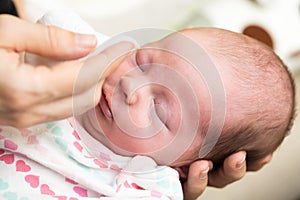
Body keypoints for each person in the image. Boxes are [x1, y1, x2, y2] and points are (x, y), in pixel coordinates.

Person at [0, 13, 277, 200]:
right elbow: (51, 25)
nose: (130, 86)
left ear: (183, 166)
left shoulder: (148, 185)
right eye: (143, 62)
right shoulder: (86, 59)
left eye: (157, 110)